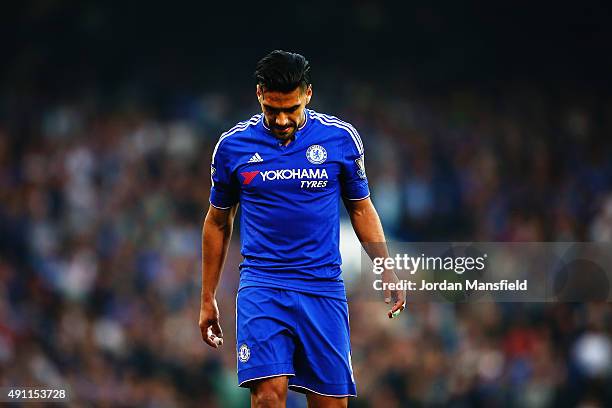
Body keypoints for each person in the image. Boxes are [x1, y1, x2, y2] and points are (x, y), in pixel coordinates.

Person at [199, 50, 405, 408]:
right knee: (267, 398)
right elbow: (218, 221)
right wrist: (207, 297)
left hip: (322, 286)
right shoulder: (232, 147)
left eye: (290, 109)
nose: (281, 119)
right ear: (260, 94)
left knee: (331, 405)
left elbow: (360, 208)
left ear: (308, 95)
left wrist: (385, 266)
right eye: (272, 109)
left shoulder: (340, 139)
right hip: (263, 285)